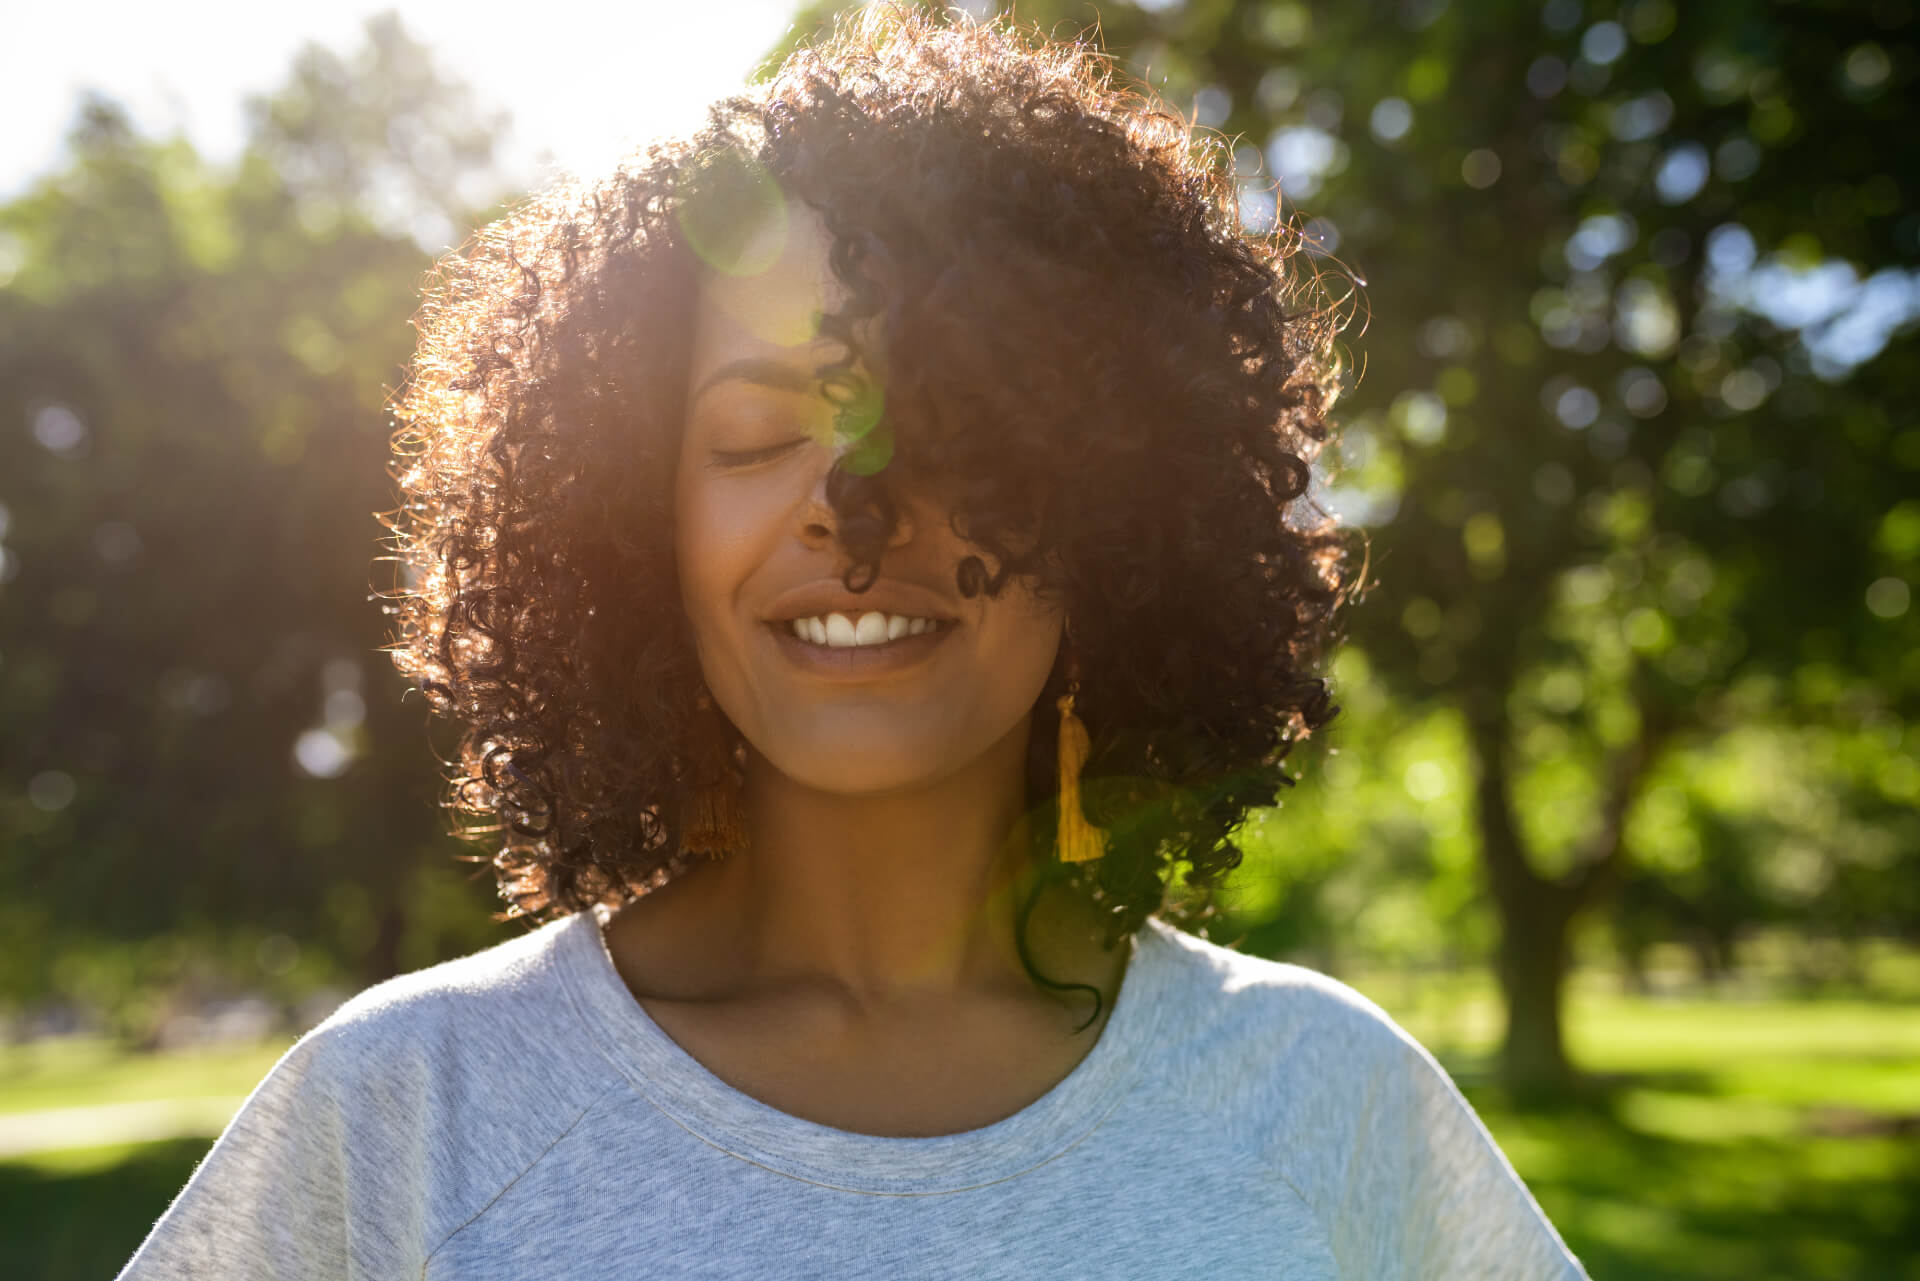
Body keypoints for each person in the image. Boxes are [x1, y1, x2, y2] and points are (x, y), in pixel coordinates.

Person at [120, 7, 1589, 1278]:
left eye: (950, 426)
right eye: (756, 433)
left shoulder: (1327, 1105)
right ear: (634, 522)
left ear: (1121, 507)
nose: (852, 510)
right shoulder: (405, 1119)